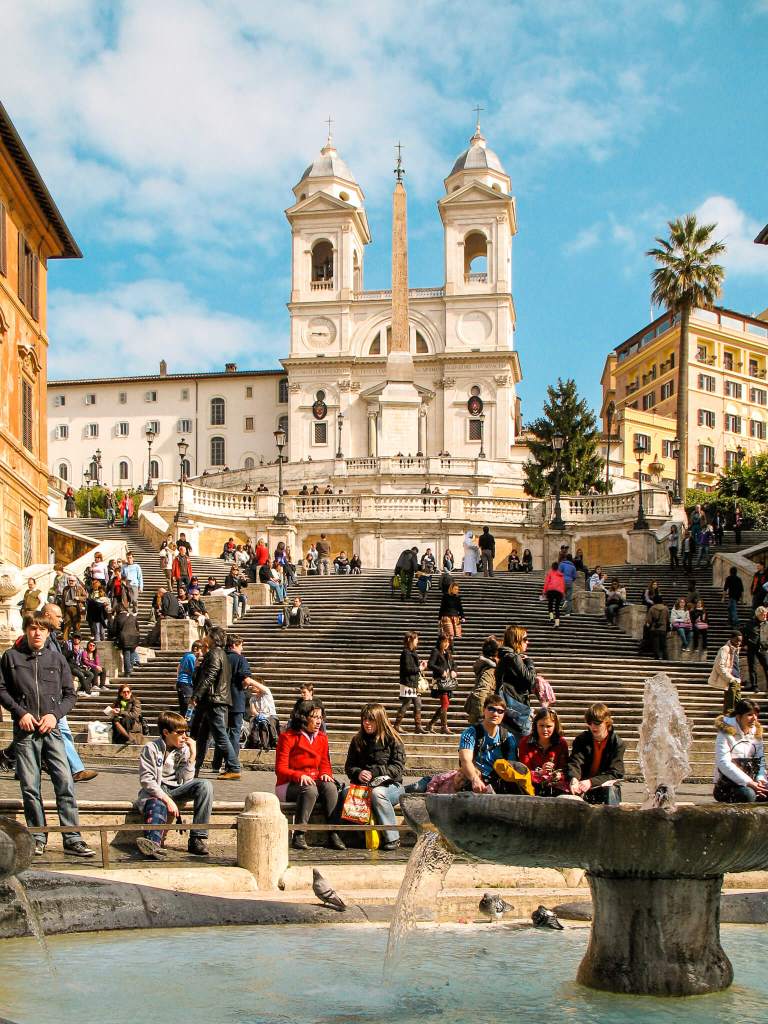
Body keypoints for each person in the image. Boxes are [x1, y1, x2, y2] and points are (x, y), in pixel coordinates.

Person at [0, 614, 95, 857]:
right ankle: (38, 836)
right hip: (25, 730)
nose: (37, 633)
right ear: (26, 630)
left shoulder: (57, 658)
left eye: (42, 629)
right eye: (33, 628)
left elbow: (69, 695)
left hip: (51, 728)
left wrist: (55, 715)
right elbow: (1, 689)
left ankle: (72, 838)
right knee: (30, 786)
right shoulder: (11, 657)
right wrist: (19, 712)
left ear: (48, 632)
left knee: (64, 782)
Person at [136, 710, 213, 859]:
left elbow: (187, 780)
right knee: (157, 804)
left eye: (186, 732)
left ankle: (197, 838)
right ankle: (153, 845)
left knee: (205, 785)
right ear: (166, 732)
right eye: (180, 732)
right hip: (157, 791)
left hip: (177, 789)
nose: (185, 736)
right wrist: (166, 798)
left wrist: (192, 756)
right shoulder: (151, 749)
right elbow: (147, 780)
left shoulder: (183, 749)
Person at [275, 705, 345, 851]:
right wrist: (299, 775)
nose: (318, 721)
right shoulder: (287, 737)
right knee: (310, 789)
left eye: (320, 717)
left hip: (313, 781)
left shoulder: (322, 738)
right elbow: (280, 769)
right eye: (314, 717)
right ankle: (299, 834)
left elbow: (325, 763)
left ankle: (333, 832)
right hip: (288, 784)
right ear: (303, 718)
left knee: (330, 787)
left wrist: (326, 774)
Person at [344, 703, 406, 851]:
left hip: (391, 787)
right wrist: (358, 773)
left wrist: (376, 772)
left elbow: (397, 768)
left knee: (378, 794)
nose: (366, 723)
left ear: (379, 720)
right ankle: (358, 838)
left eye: (370, 719)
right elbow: (349, 766)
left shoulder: (393, 740)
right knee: (346, 793)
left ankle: (393, 837)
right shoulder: (357, 740)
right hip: (365, 785)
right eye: (364, 719)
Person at [191, 627, 240, 779]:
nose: (205, 638)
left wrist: (197, 695)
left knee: (220, 735)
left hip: (214, 700)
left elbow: (209, 677)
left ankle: (234, 766)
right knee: (202, 735)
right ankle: (194, 766)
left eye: (208, 636)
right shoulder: (222, 654)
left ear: (213, 638)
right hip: (214, 700)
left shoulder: (214, 654)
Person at [456, 695, 519, 793]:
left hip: (498, 780)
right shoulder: (471, 733)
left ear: (504, 714)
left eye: (500, 711)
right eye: (491, 709)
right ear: (484, 710)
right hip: (474, 777)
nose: (495, 714)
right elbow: (465, 760)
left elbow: (512, 766)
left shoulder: (508, 737)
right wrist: (475, 779)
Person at [566, 703, 625, 805]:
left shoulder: (617, 743)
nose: (593, 726)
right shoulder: (581, 740)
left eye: (597, 723)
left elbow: (615, 773)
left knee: (611, 790)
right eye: (590, 723)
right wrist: (574, 778)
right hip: (583, 785)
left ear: (607, 722)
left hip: (604, 786)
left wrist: (591, 782)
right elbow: (575, 762)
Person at [713, 699, 768, 803]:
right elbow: (723, 762)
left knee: (764, 791)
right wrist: (749, 782)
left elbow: (760, 760)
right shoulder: (725, 733)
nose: (754, 718)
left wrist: (760, 779)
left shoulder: (757, 733)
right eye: (750, 715)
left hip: (753, 781)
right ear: (738, 716)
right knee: (748, 795)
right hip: (727, 786)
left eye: (756, 715)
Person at [495, 625, 536, 737]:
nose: (528, 642)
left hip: (509, 707)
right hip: (518, 708)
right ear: (516, 641)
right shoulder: (513, 657)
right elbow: (531, 681)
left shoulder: (504, 657)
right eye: (525, 639)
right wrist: (529, 663)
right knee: (524, 743)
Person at [518, 707, 569, 796]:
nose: (545, 730)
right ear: (535, 725)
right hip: (530, 786)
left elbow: (565, 768)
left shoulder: (561, 743)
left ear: (555, 726)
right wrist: (540, 772)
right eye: (541, 726)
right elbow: (524, 770)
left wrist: (557, 774)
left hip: (555, 787)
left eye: (549, 726)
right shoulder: (525, 742)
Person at [464, 636, 500, 725]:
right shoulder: (490, 671)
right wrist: (482, 718)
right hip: (484, 716)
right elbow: (480, 694)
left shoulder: (487, 667)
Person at [426, 633, 457, 734]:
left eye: (448, 642)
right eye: (445, 642)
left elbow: (453, 664)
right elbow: (430, 664)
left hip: (448, 682)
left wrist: (453, 670)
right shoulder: (435, 651)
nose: (446, 644)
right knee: (445, 703)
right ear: (440, 642)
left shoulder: (447, 652)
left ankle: (430, 724)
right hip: (440, 681)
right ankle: (444, 727)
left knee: (445, 704)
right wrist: (441, 671)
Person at [395, 631, 425, 733]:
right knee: (407, 703)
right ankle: (396, 725)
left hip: (414, 682)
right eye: (416, 639)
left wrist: (420, 666)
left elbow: (413, 667)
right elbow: (407, 669)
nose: (418, 641)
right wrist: (419, 668)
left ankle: (418, 726)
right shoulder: (405, 653)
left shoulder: (412, 652)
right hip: (408, 683)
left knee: (418, 703)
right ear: (410, 640)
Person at [708, 631, 743, 715]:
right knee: (729, 707)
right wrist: (730, 679)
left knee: (738, 705)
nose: (739, 643)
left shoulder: (735, 650)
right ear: (731, 638)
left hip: (736, 680)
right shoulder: (725, 649)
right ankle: (727, 725)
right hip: (731, 681)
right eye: (737, 640)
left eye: (740, 641)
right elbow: (719, 666)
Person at [246, 677, 281, 751]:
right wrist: (258, 715)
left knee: (270, 721)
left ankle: (274, 740)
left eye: (254, 685)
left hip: (271, 716)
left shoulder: (267, 693)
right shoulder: (253, 699)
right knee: (254, 720)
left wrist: (251, 681)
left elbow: (263, 688)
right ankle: (256, 741)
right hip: (260, 716)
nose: (252, 687)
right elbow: (253, 710)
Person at [744, 606, 768, 694]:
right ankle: (754, 686)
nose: (765, 616)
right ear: (758, 615)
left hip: (763, 648)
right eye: (763, 615)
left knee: (767, 666)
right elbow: (744, 633)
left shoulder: (767, 624)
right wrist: (745, 644)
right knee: (752, 667)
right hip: (752, 648)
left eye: (765, 615)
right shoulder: (750, 623)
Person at [177, 641, 202, 716]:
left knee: (183, 708)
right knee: (188, 707)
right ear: (197, 649)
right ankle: (187, 725)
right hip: (186, 684)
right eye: (202, 648)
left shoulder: (186, 655)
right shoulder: (192, 657)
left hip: (181, 683)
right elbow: (194, 672)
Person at [115, 607, 140, 677]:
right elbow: (137, 627)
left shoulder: (118, 617)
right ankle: (131, 668)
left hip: (124, 638)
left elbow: (114, 629)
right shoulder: (132, 616)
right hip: (134, 637)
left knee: (126, 654)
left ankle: (128, 672)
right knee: (132, 652)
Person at [646, 594, 670, 660]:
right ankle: (665, 657)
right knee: (664, 645)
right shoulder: (666, 608)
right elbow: (668, 619)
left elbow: (649, 620)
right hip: (663, 629)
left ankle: (657, 657)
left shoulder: (652, 608)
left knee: (656, 645)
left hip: (654, 629)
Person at [543, 561, 566, 627]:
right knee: (557, 607)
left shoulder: (550, 573)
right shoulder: (561, 575)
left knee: (550, 604)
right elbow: (563, 584)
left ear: (552, 567)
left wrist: (544, 591)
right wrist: (563, 593)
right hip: (559, 592)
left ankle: (551, 617)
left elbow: (547, 582)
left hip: (551, 590)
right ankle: (557, 623)